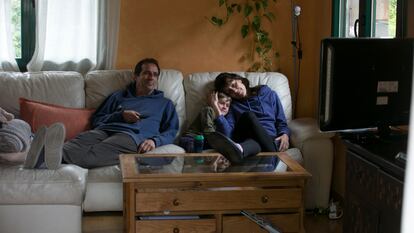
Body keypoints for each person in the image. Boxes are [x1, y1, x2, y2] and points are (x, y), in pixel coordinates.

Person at [24, 58, 179, 169]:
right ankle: (39, 155)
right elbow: (97, 120)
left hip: (131, 136)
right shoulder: (118, 96)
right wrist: (120, 115)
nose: (151, 77)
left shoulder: (165, 104)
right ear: (136, 76)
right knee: (72, 145)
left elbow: (172, 131)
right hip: (103, 130)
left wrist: (154, 141)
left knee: (94, 154)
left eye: (155, 74)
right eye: (146, 73)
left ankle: (41, 157)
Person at [206, 72, 290, 164]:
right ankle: (274, 154)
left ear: (239, 79)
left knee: (255, 144)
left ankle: (240, 149)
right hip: (245, 136)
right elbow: (228, 135)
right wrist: (216, 109)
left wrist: (284, 134)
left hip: (268, 138)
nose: (235, 91)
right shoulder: (233, 106)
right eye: (230, 91)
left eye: (234, 85)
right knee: (248, 115)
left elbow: (281, 119)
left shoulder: (267, 93)